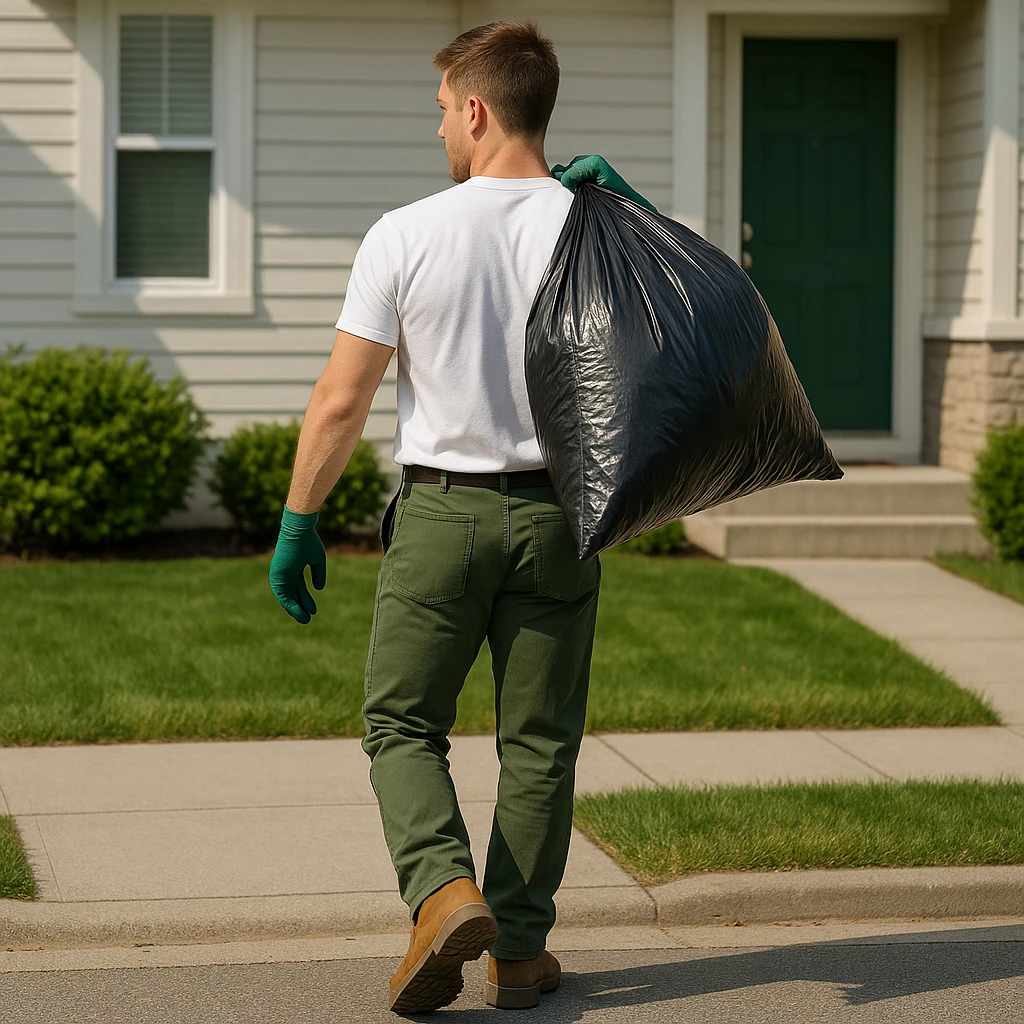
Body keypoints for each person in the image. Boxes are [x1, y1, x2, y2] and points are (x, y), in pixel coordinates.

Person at [268, 20, 655, 1015]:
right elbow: (699, 328)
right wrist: (635, 210)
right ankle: (518, 954)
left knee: (401, 719)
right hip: (560, 520)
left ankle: (442, 892)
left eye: (442, 110)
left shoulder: (405, 232)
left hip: (442, 516)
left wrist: (299, 521)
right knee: (539, 741)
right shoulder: (592, 224)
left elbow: (340, 401)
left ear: (477, 111)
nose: (437, 127)